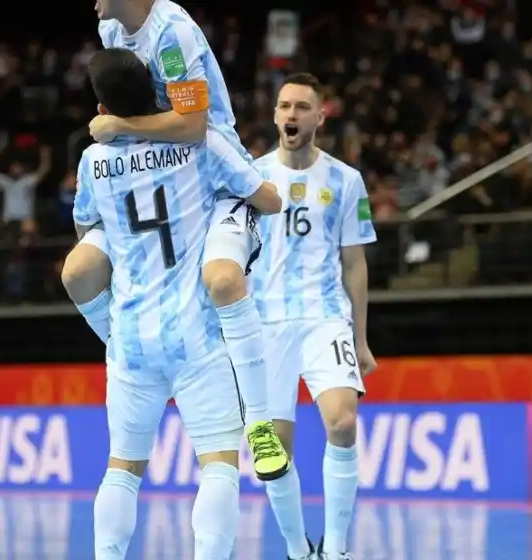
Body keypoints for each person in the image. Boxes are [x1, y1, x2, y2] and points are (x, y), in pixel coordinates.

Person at [59, 0, 291, 482]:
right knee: (78, 272)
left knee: (222, 280)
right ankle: (139, 355)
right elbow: (129, 97)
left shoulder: (172, 33)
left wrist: (119, 127)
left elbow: (191, 125)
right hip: (151, 176)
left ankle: (259, 423)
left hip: (208, 168)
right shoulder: (110, 29)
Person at [250, 73, 379, 560]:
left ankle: (338, 550)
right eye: (284, 105)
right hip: (265, 326)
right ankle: (297, 550)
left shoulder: (346, 180)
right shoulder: (251, 177)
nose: (291, 114)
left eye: (302, 106)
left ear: (320, 117)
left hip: (324, 317)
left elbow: (354, 262)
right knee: (271, 452)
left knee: (342, 423)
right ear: (275, 114)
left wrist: (360, 339)